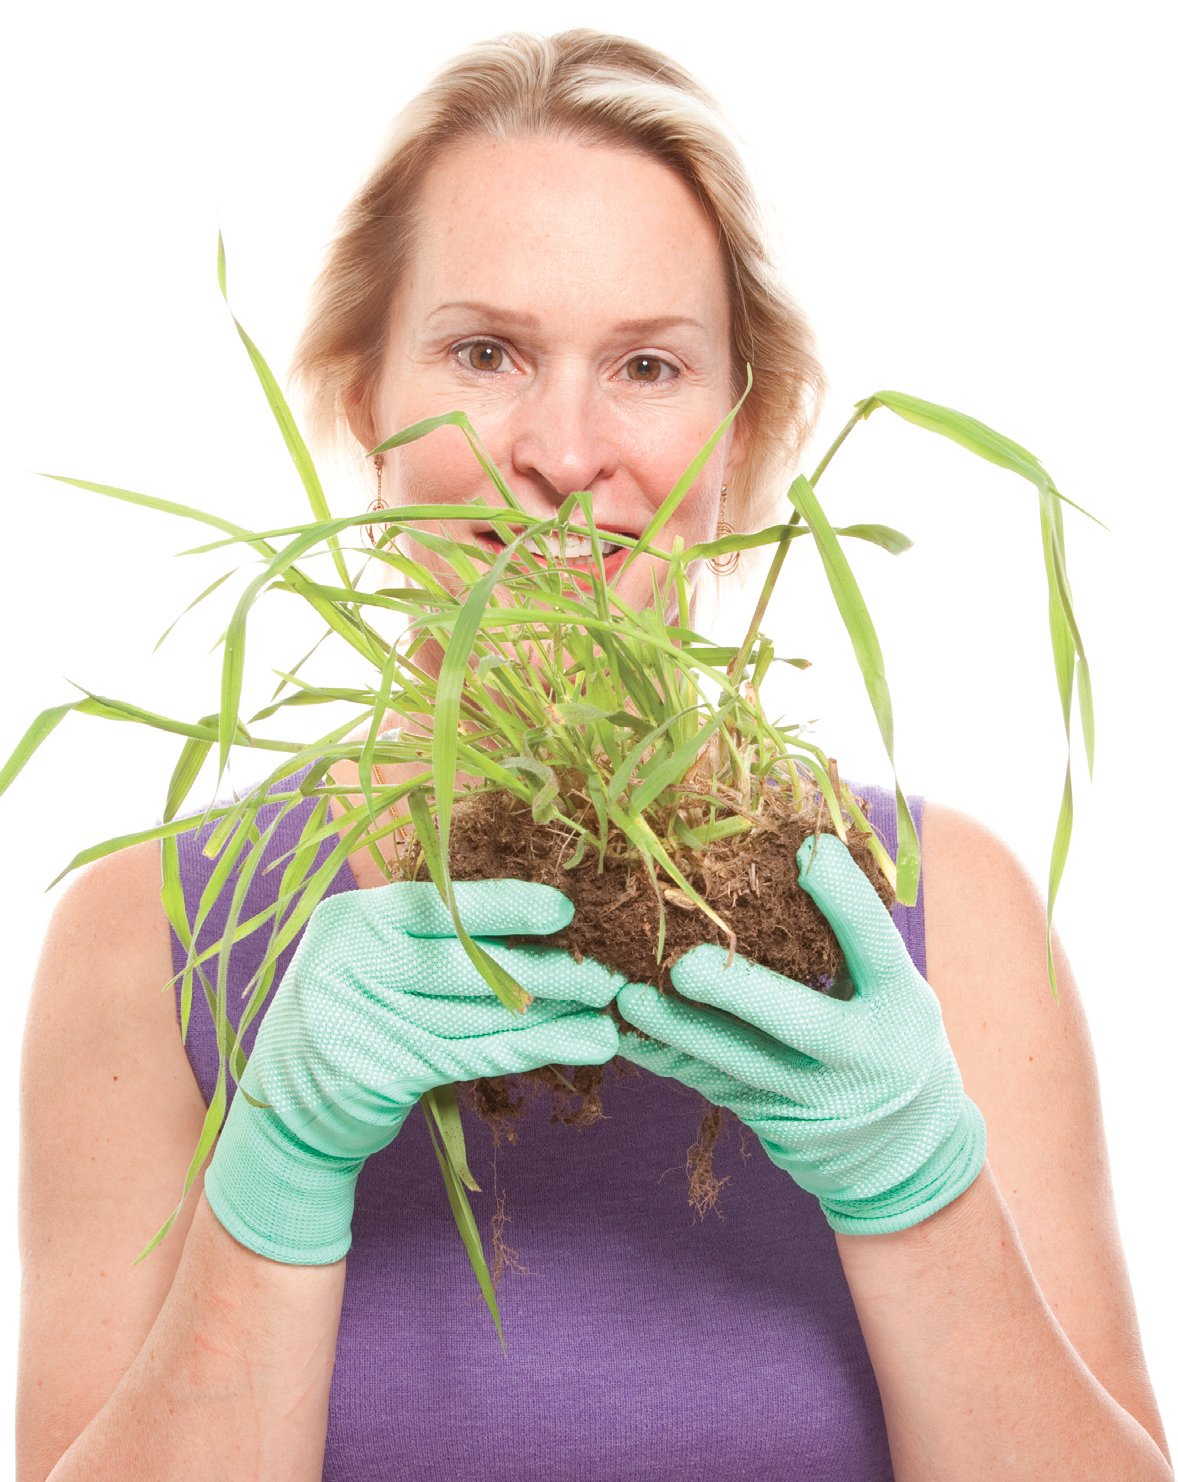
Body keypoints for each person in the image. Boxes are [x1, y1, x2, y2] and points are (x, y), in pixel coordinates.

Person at [16, 29, 1172, 1482]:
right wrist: (278, 1177)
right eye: (484, 351)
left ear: (739, 433)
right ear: (365, 394)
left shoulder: (934, 908)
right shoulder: (160, 933)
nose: (563, 450)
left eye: (647, 364)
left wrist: (919, 1194)